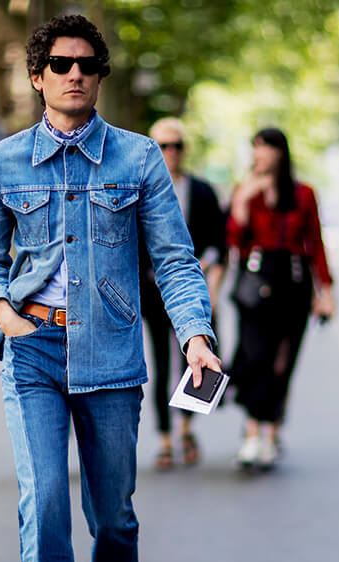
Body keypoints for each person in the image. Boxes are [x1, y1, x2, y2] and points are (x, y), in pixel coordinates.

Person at [0, 14, 220, 562]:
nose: (74, 73)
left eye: (87, 64)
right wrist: (0, 309)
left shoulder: (139, 159)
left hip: (111, 358)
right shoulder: (5, 162)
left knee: (111, 514)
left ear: (99, 76)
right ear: (36, 75)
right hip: (33, 355)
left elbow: (173, 260)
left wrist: (195, 336)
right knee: (42, 505)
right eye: (60, 63)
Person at [226, 127, 335, 469]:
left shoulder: (303, 193)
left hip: (294, 283)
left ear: (280, 153)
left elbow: (315, 243)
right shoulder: (246, 190)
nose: (259, 154)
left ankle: (270, 434)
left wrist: (326, 292)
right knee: (254, 357)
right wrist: (243, 200)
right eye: (255, 147)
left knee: (282, 363)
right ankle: (251, 433)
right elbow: (234, 239)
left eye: (266, 147)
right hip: (256, 284)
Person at [140, 118, 226, 469]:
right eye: (162, 145)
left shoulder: (202, 191)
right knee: (161, 365)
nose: (170, 153)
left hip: (195, 292)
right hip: (153, 294)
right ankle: (164, 436)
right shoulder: (140, 191)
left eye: (176, 145)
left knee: (195, 367)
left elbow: (220, 247)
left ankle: (187, 427)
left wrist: (212, 293)